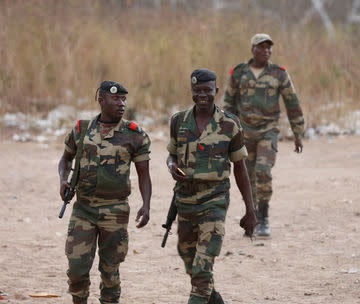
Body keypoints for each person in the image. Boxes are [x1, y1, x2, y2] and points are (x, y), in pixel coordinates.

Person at [166, 68, 257, 304]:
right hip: (184, 202)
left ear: (216, 91)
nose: (202, 94)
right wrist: (171, 165)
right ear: (192, 91)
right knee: (189, 258)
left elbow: (240, 167)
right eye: (198, 90)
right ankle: (214, 300)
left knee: (202, 267)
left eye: (208, 90)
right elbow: (171, 155)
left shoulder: (230, 124)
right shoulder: (178, 121)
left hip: (214, 202)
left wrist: (250, 209)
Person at [58, 80, 152, 304]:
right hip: (84, 209)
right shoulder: (81, 130)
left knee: (110, 271)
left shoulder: (135, 135)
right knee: (77, 268)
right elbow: (65, 159)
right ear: (101, 100)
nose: (122, 104)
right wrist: (63, 179)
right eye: (116, 99)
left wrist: (146, 205)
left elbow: (144, 175)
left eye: (123, 99)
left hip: (116, 211)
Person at [223, 33, 305, 237]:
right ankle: (252, 217)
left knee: (263, 171)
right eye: (262, 47)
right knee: (247, 177)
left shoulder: (279, 74)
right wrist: (226, 133)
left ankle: (264, 218)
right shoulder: (239, 72)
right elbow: (229, 103)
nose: (266, 50)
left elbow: (292, 103)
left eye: (269, 47)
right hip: (244, 132)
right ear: (253, 49)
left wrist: (298, 133)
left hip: (268, 131)